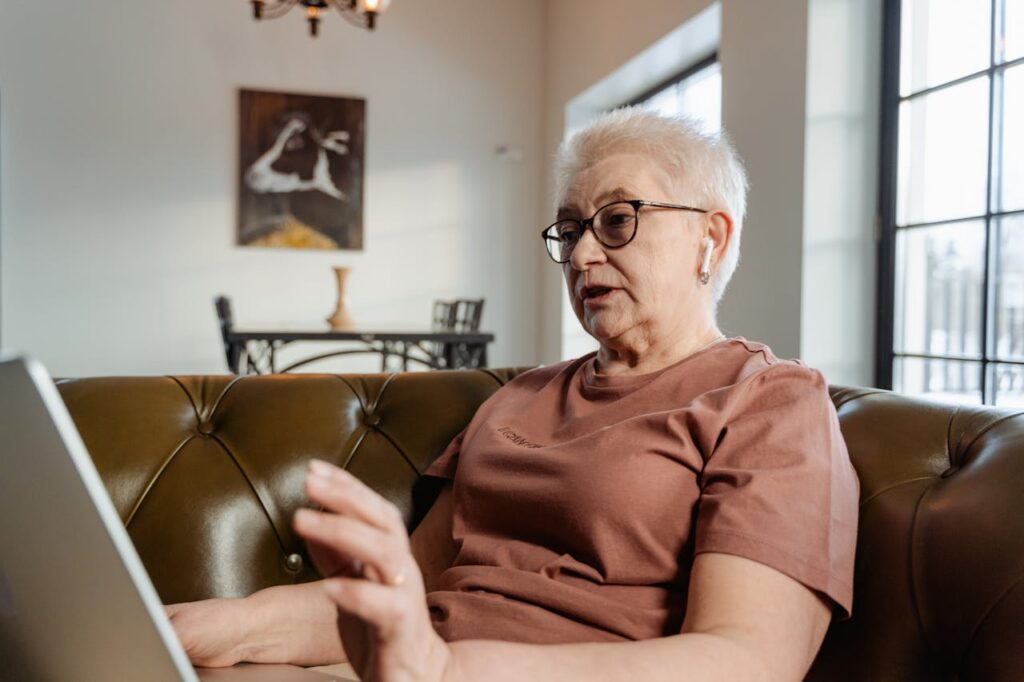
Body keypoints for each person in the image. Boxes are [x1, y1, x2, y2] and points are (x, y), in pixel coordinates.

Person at [167, 109, 859, 681]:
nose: (584, 255)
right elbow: (407, 587)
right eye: (571, 228)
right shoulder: (520, 396)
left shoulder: (770, 401)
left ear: (709, 238)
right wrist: (222, 625)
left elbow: (749, 661)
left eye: (617, 220)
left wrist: (443, 671)